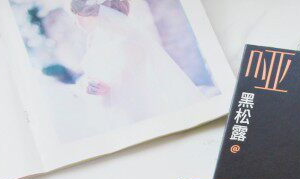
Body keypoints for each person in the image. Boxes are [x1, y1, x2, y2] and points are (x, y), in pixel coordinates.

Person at [70, 0, 204, 127]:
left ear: (89, 14)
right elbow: (93, 74)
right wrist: (89, 85)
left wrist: (107, 89)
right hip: (106, 111)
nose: (76, 21)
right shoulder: (94, 39)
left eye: (76, 14)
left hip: (133, 114)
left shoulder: (128, 42)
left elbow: (133, 87)